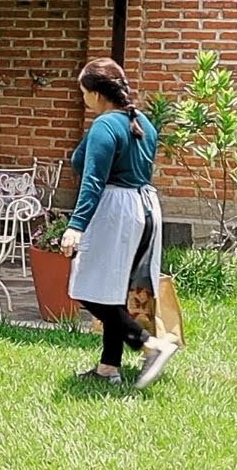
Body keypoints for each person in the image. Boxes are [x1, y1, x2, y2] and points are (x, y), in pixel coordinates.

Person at [61, 57, 179, 389]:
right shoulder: (143, 122)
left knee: (88, 289)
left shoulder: (104, 126)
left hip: (116, 209)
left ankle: (148, 344)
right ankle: (108, 368)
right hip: (146, 208)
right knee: (115, 291)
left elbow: (92, 180)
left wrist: (76, 225)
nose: (83, 99)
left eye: (84, 92)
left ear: (97, 94)